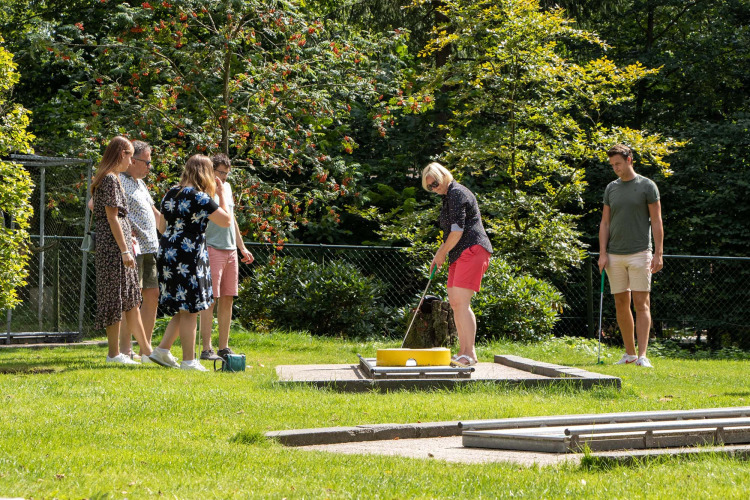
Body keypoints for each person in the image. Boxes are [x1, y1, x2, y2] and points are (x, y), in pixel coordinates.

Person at [149, 154, 232, 371]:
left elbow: (161, 227)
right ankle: (188, 361)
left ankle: (162, 350)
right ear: (205, 173)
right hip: (189, 254)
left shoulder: (170, 193)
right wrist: (221, 195)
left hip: (167, 252)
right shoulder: (200, 197)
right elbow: (226, 221)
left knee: (182, 306)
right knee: (191, 307)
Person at [90, 136, 157, 365]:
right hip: (113, 250)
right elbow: (112, 218)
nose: (131, 162)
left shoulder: (112, 178)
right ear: (121, 154)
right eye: (129, 156)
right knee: (116, 299)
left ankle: (147, 352)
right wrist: (125, 250)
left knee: (130, 299)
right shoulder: (110, 179)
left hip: (119, 247)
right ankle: (114, 354)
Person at [598, 144, 663, 368]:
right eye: (612, 165)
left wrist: (658, 253)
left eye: (618, 163)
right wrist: (602, 253)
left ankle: (643, 355)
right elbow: (605, 223)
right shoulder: (611, 188)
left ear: (629, 160)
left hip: (640, 253)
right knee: (620, 303)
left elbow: (657, 221)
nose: (615, 168)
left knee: (641, 303)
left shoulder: (647, 186)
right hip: (614, 256)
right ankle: (630, 354)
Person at [422, 162, 493, 367]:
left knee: (461, 303)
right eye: (430, 187)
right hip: (458, 252)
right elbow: (449, 235)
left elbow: (457, 231)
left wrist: (442, 253)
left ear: (444, 176)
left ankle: (469, 353)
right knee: (455, 303)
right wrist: (439, 255)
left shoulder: (457, 193)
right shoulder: (448, 197)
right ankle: (464, 352)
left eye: (435, 183)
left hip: (472, 249)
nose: (434, 188)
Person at [198, 154, 254, 361]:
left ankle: (224, 347)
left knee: (228, 298)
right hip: (211, 247)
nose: (223, 177)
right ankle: (206, 348)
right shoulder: (204, 189)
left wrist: (242, 247)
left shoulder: (227, 188)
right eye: (220, 172)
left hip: (230, 250)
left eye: (226, 173)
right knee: (210, 299)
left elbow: (231, 219)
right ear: (211, 170)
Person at [118, 140, 162, 361]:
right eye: (147, 162)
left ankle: (146, 350)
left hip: (151, 248)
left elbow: (154, 214)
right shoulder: (118, 181)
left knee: (152, 295)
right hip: (134, 250)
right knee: (131, 301)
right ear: (133, 161)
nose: (149, 167)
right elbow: (95, 205)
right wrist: (126, 228)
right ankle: (126, 350)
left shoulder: (141, 184)